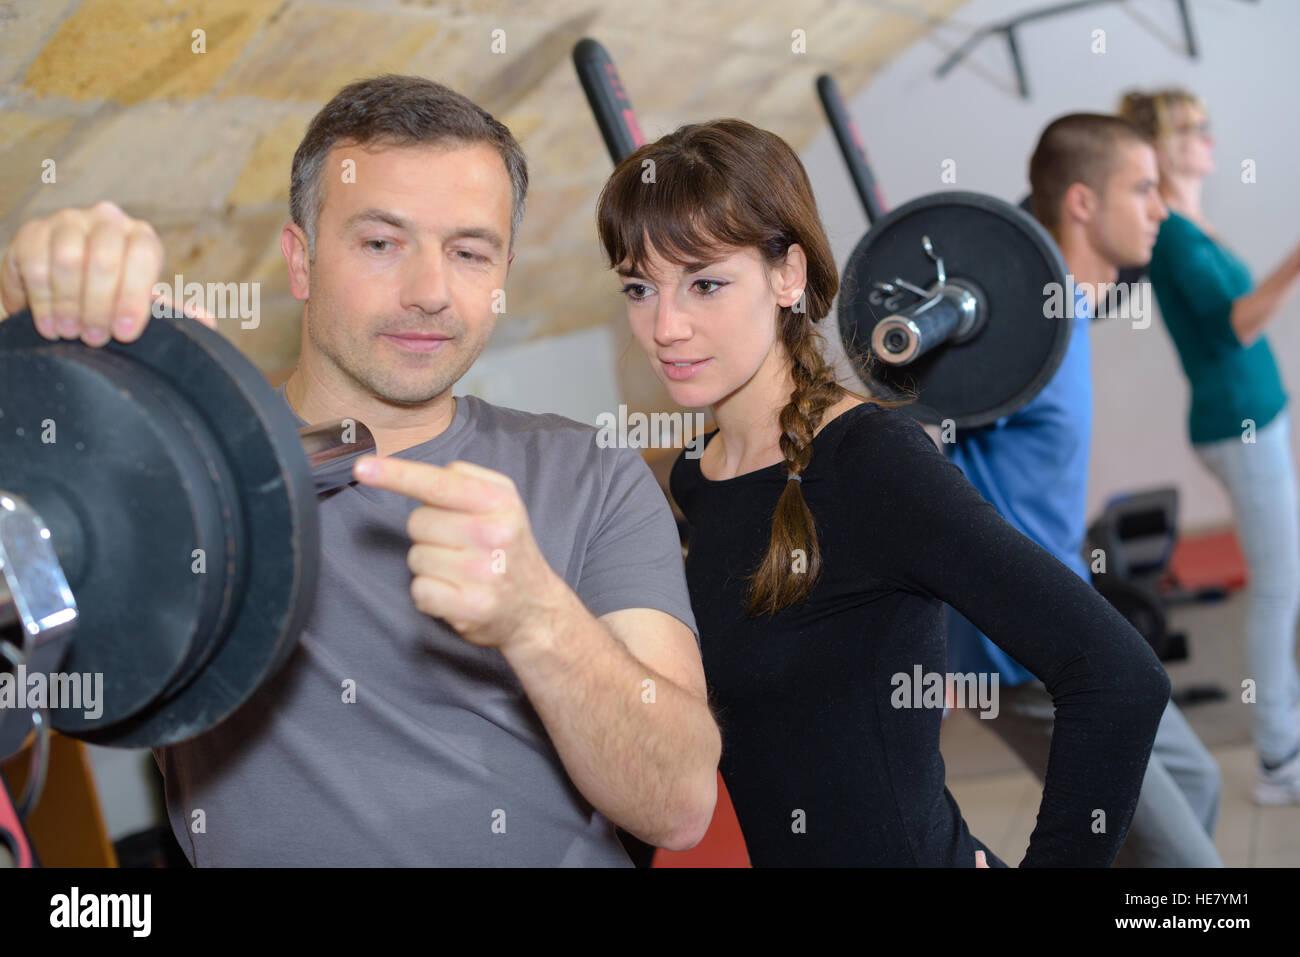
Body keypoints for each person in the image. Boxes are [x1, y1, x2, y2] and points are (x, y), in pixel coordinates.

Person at [0, 74, 721, 865]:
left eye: (469, 252)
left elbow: (680, 804)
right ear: (300, 260)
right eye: (381, 243)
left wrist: (535, 616)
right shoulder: (189, 479)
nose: (430, 293)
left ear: (502, 275)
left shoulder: (592, 471)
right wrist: (36, 318)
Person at [595, 117, 1170, 866]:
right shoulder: (698, 478)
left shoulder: (869, 459)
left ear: (788, 276)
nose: (665, 325)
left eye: (705, 283)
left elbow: (1118, 676)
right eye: (640, 287)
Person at [943, 113, 1224, 866]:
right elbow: (912, 433)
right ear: (1081, 204)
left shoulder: (1063, 304)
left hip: (1077, 619)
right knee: (1187, 869)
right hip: (1019, 649)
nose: (1160, 208)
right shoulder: (1013, 333)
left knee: (1198, 782)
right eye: (1141, 189)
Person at [1119, 89, 1300, 805]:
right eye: (1192, 129)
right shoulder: (1171, 235)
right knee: (1279, 586)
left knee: (1284, 580)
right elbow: (1236, 327)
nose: (1208, 138)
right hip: (1237, 424)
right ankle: (1279, 757)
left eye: (1204, 125)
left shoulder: (1190, 222)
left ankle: (1283, 735)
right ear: (1161, 148)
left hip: (1254, 418)